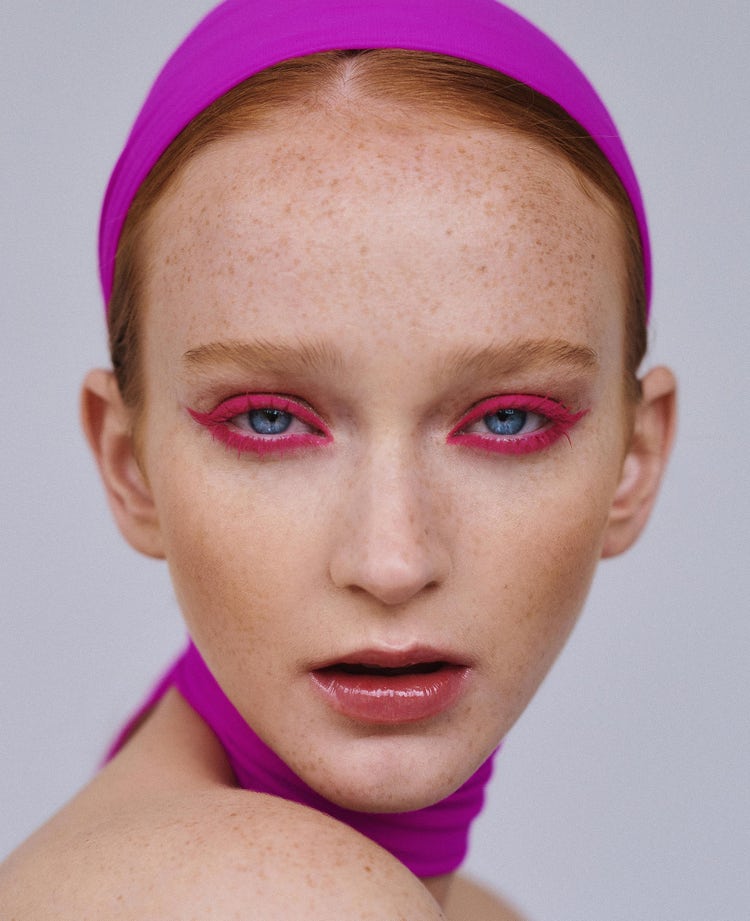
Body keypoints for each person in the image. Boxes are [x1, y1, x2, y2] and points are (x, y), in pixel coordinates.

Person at [0, 0, 676, 917]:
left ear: (635, 462)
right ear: (128, 466)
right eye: (269, 420)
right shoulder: (285, 897)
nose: (391, 560)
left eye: (509, 419)